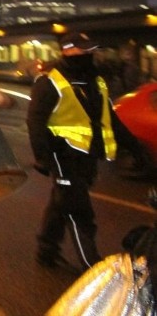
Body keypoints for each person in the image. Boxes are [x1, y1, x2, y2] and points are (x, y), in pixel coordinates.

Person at [28, 30, 146, 271]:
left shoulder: (96, 81)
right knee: (78, 211)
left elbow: (110, 119)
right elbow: (36, 121)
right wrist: (43, 158)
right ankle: (92, 267)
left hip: (87, 156)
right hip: (62, 156)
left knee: (60, 203)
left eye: (91, 49)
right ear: (67, 51)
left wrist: (135, 148)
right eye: (84, 50)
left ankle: (46, 250)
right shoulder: (50, 82)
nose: (90, 54)